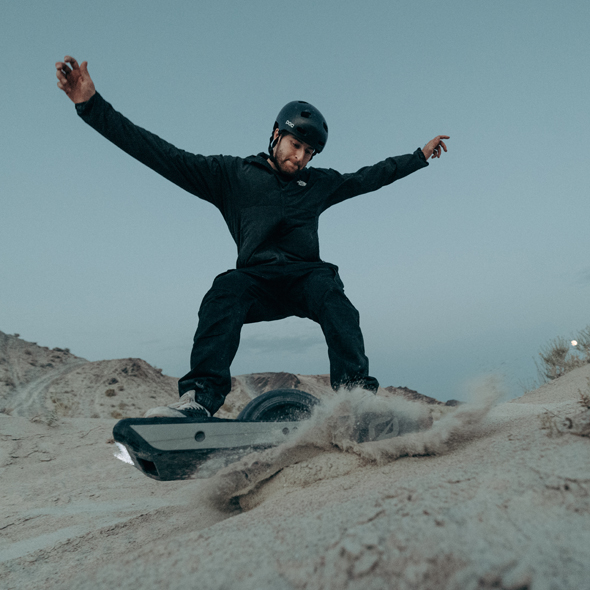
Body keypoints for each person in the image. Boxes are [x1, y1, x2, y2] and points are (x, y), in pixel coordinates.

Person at [56, 56, 449, 419]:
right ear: (276, 135)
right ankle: (199, 399)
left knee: (333, 295)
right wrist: (91, 105)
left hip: (305, 278)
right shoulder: (231, 176)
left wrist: (417, 157)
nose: (300, 157)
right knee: (224, 291)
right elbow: (161, 154)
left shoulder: (317, 183)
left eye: (309, 152)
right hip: (256, 280)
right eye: (296, 145)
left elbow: (367, 177)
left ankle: (356, 398)